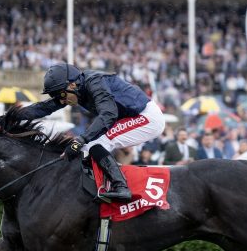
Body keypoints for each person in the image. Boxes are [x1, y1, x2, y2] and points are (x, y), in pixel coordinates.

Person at [16, 63, 166, 202]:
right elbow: (43, 108)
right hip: (132, 116)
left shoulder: (94, 82)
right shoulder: (75, 89)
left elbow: (108, 114)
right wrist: (7, 117)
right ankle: (99, 186)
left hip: (147, 116)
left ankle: (121, 187)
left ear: (72, 84)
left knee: (97, 143)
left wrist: (80, 139)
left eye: (60, 95)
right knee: (87, 147)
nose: (61, 101)